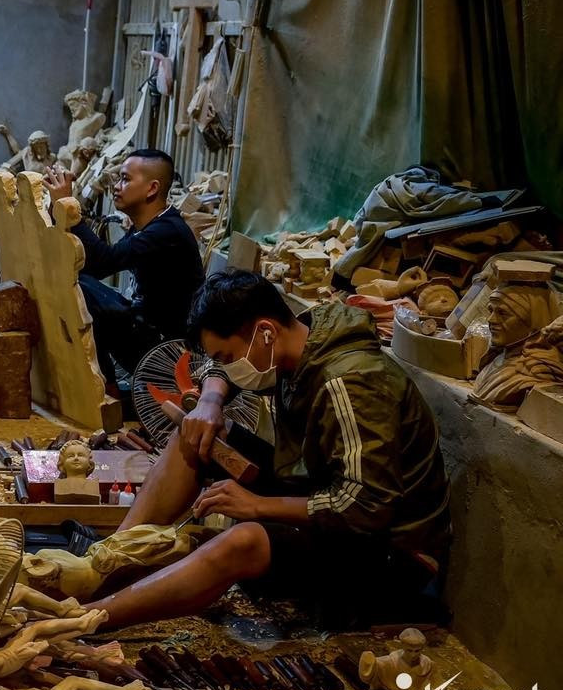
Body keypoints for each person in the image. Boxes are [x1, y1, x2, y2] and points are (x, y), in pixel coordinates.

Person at [81, 270, 451, 630]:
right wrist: (210, 400)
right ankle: (106, 564)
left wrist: (257, 506)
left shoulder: (353, 382)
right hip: (327, 496)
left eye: (228, 357)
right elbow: (218, 364)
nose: (225, 366)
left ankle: (90, 617)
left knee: (244, 541)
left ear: (266, 333)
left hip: (391, 554)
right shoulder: (304, 332)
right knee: (194, 434)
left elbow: (365, 506)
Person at [44, 148, 202, 385]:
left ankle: (105, 390)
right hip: (146, 327)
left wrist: (68, 206)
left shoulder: (165, 232)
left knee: (86, 294)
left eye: (125, 179)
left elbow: (101, 262)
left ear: (152, 188)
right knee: (81, 283)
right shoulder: (150, 225)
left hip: (168, 351)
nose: (116, 186)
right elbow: (93, 265)